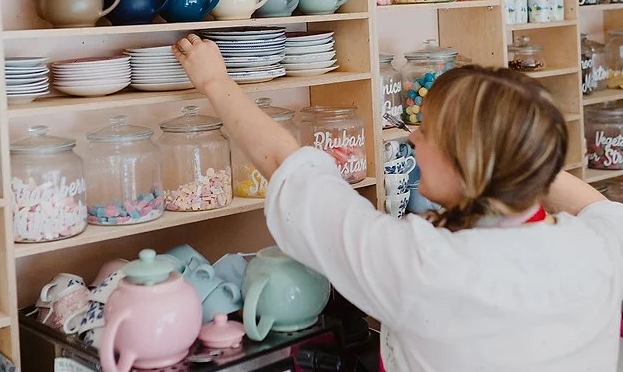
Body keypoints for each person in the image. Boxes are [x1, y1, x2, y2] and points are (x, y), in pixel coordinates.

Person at [172, 33, 623, 372]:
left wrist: (215, 81)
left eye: (425, 130)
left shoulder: (421, 265)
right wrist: (512, 150)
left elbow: (289, 167)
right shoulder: (600, 249)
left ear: (464, 163)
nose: (412, 136)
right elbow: (592, 206)